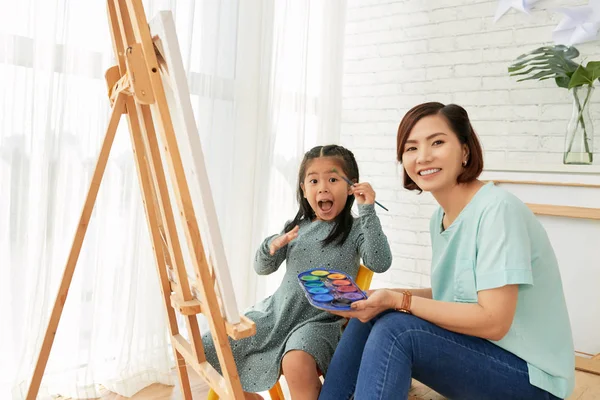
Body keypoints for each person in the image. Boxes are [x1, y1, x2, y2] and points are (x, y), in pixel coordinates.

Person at [319, 103, 574, 400]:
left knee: (398, 329)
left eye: (437, 142)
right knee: (375, 313)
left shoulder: (498, 210)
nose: (423, 156)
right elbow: (452, 296)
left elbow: (493, 321)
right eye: (411, 148)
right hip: (483, 354)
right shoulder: (440, 218)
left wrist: (399, 301)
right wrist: (385, 296)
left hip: (534, 379)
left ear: (465, 151)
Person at [202, 144, 392, 400]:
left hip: (321, 320)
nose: (323, 187)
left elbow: (380, 262)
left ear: (351, 187)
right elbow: (262, 268)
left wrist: (368, 209)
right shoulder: (295, 228)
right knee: (213, 344)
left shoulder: (356, 229)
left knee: (296, 360)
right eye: (314, 180)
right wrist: (273, 245)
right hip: (278, 313)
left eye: (333, 179)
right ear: (304, 188)